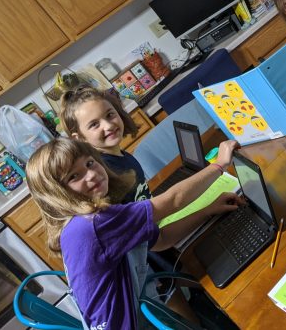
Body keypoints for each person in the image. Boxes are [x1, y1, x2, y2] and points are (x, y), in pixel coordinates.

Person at [26, 137, 243, 329]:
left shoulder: (80, 224)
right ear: (57, 194)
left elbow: (161, 239)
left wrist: (207, 210)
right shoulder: (94, 224)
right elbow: (173, 200)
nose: (91, 174)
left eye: (90, 163)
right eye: (74, 176)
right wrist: (219, 165)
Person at [59, 85, 150, 202]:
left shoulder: (122, 155)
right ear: (79, 138)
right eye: (94, 124)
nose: (109, 126)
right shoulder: (103, 170)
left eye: (109, 115)